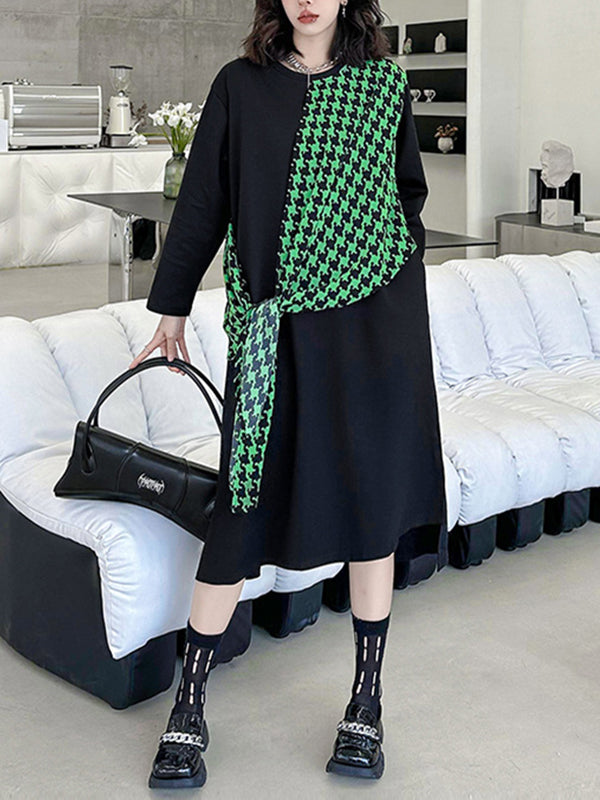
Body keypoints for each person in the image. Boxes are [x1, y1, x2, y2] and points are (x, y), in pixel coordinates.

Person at [128, 0, 447, 789]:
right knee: (242, 509)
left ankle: (366, 702)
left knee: (370, 507)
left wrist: (364, 255)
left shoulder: (381, 86)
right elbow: (204, 198)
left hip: (372, 325)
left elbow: (406, 195)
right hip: (275, 329)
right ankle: (189, 706)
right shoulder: (241, 85)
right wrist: (171, 306)